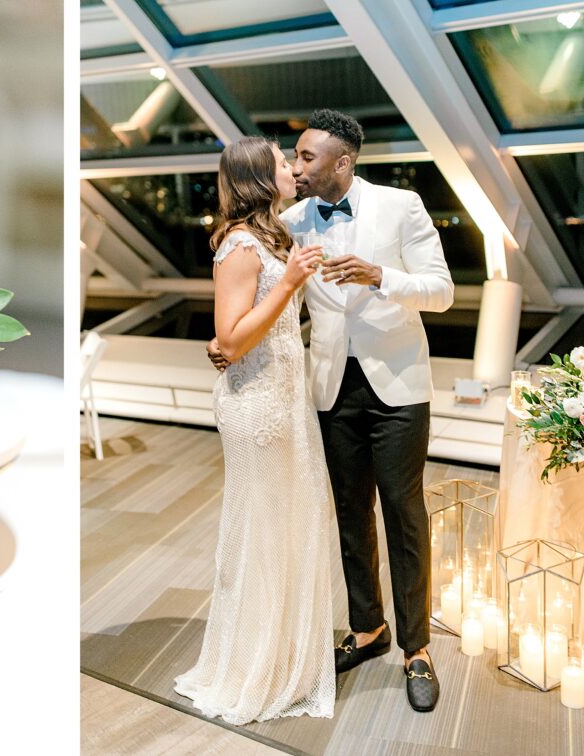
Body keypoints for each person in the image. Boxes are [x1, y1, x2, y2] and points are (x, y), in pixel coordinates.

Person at [207, 109, 454, 712]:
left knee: (404, 512)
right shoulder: (286, 223)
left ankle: (416, 647)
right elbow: (249, 281)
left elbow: (443, 291)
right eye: (292, 158)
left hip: (398, 385)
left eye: (307, 159)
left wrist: (381, 277)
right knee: (348, 512)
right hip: (325, 386)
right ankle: (368, 628)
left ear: (343, 162)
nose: (296, 167)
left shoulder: (403, 206)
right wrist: (225, 340)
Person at [173, 135, 335, 725]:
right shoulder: (240, 245)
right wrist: (289, 282)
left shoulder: (275, 234)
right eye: (282, 164)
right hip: (257, 406)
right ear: (260, 179)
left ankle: (282, 654)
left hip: (288, 402)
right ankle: (250, 666)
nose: (293, 169)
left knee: (290, 526)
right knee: (262, 532)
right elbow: (234, 340)